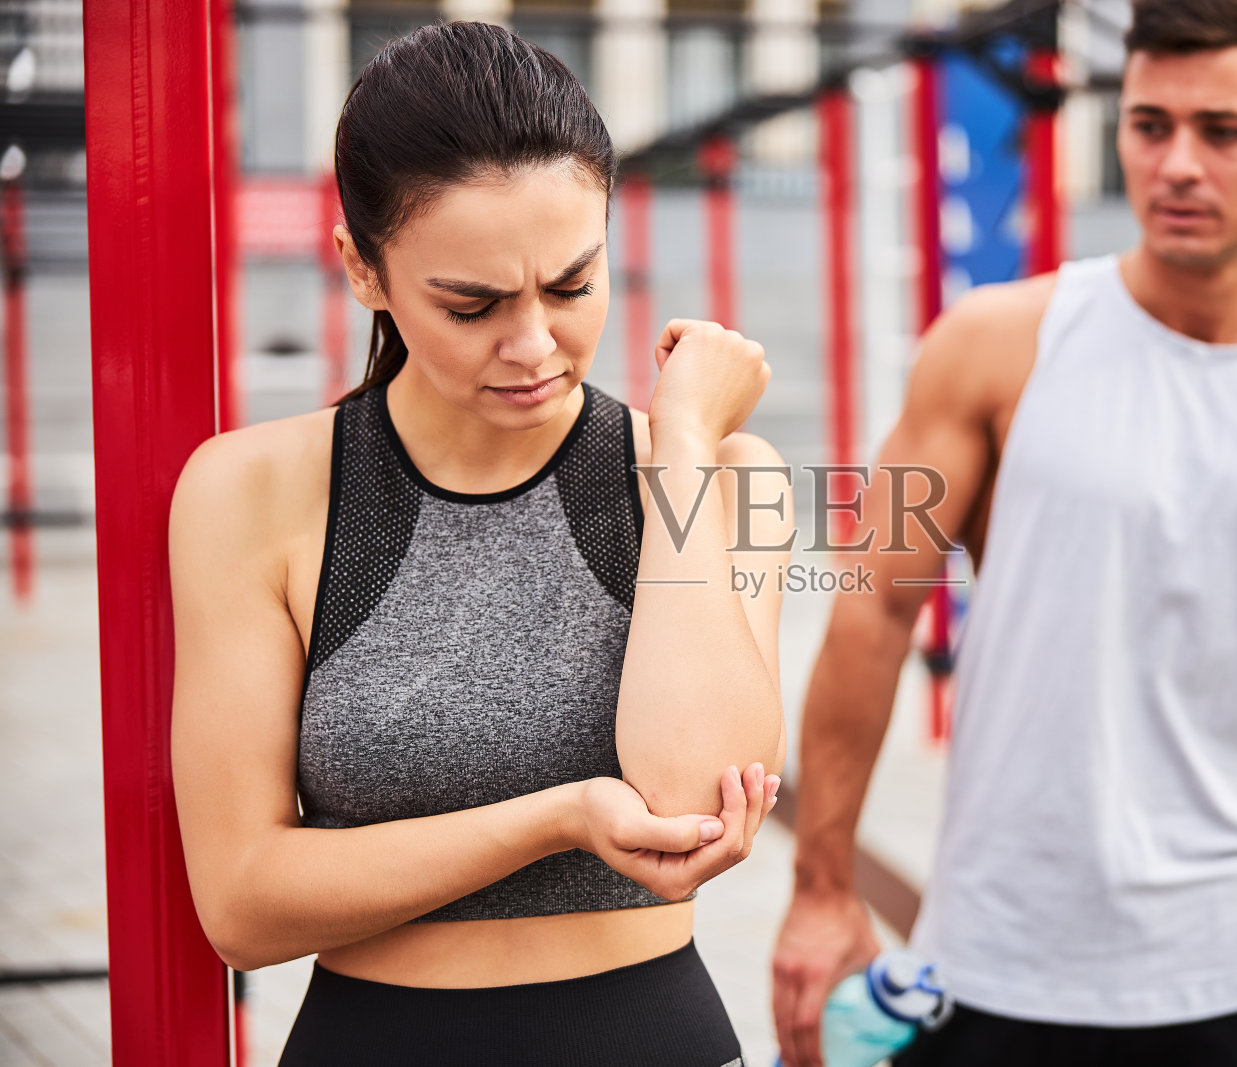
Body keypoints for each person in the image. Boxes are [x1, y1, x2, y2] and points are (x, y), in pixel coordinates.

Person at [771, 0, 1237, 1064]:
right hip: (991, 954)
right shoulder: (990, 347)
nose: (1174, 164)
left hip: (1232, 969)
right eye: (1148, 123)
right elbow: (875, 606)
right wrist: (821, 887)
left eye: (1222, 131)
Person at [169, 22, 788, 1066]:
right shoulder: (254, 490)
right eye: (474, 304)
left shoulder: (723, 472)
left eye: (571, 285)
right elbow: (242, 901)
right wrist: (555, 819)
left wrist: (679, 444)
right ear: (364, 270)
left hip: (651, 1035)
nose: (534, 344)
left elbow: (691, 802)